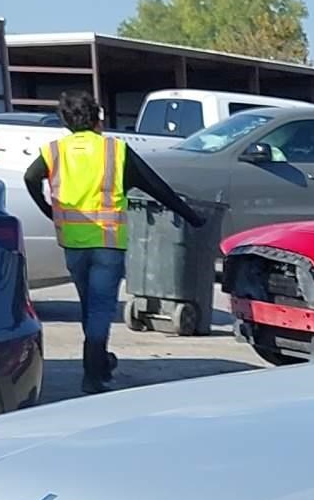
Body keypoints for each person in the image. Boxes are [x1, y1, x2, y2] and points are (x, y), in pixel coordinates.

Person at [22, 91, 209, 394]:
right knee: (100, 309)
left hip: (73, 243)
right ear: (97, 117)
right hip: (108, 243)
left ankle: (99, 362)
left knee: (89, 307)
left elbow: (31, 178)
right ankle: (94, 374)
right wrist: (191, 216)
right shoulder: (114, 150)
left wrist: (49, 209)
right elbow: (156, 186)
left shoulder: (54, 151)